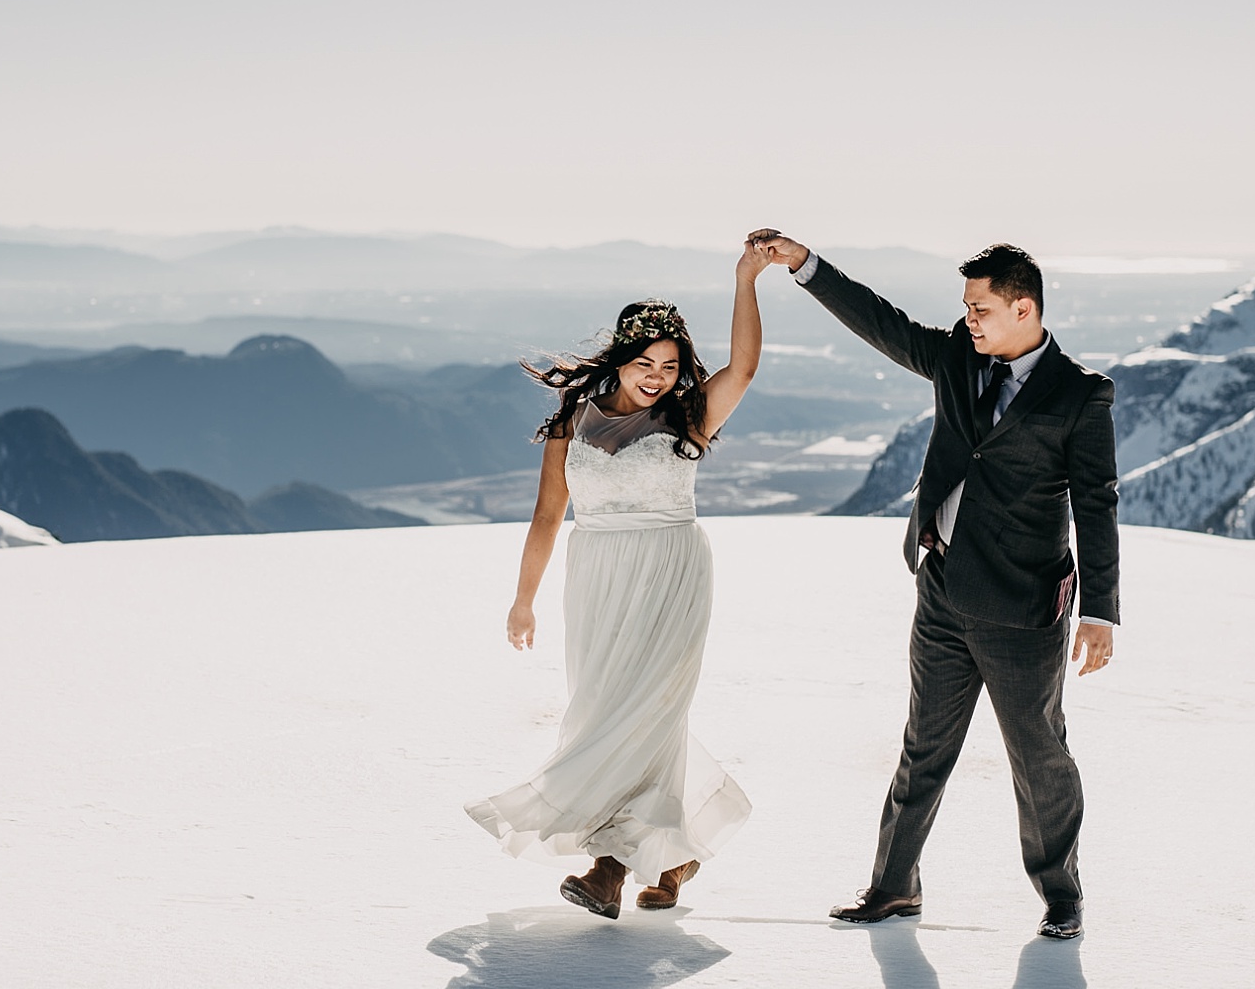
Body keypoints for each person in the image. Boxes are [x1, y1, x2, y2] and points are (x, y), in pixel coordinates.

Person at [752, 231, 1119, 941]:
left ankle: (1062, 895)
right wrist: (805, 266)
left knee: (1039, 756)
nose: (969, 319)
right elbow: (881, 322)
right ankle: (894, 886)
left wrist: (1100, 610)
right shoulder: (957, 354)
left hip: (1022, 609)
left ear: (1023, 308)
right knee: (923, 746)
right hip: (943, 591)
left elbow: (1096, 502)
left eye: (980, 308)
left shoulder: (1080, 394)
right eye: (966, 308)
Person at [465, 236, 777, 919]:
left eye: (670, 364)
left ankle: (608, 865)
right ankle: (674, 852)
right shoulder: (574, 422)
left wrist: (745, 278)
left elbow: (745, 367)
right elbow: (549, 515)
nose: (658, 375)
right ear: (620, 360)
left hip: (671, 570)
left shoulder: (688, 415)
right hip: (597, 576)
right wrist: (524, 600)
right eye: (645, 362)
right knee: (605, 714)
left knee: (649, 709)